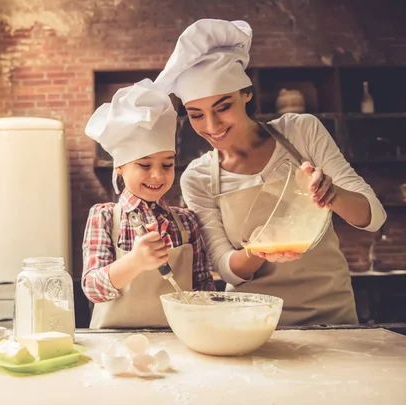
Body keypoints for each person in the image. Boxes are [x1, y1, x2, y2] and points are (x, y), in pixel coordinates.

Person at [154, 19, 387, 326]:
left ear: (246, 93)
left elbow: (372, 217)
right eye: (197, 115)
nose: (211, 127)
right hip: (251, 319)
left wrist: (333, 194)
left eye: (223, 107)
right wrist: (259, 251)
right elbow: (226, 268)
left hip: (330, 311)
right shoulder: (197, 178)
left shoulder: (300, 132)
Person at [82, 78, 216, 329]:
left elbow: (202, 286)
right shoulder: (105, 217)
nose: (158, 175)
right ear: (120, 167)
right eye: (144, 165)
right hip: (117, 345)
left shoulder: (187, 221)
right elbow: (93, 289)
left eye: (167, 164)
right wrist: (135, 262)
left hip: (180, 340)